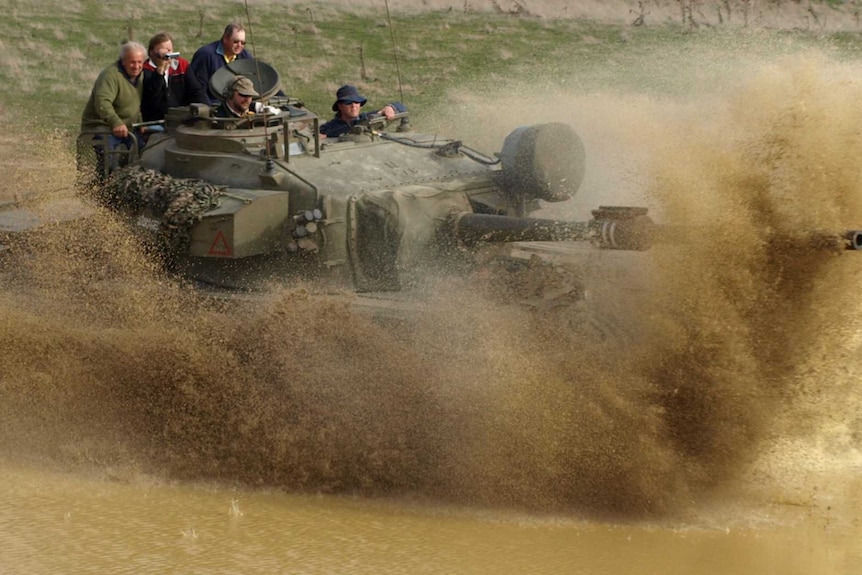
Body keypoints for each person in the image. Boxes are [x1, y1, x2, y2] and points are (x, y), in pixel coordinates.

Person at [80, 41, 147, 177]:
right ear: (123, 62)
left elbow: (134, 104)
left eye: (140, 62)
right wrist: (116, 123)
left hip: (127, 129)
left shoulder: (140, 77)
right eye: (132, 62)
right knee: (109, 164)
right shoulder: (111, 75)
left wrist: (141, 123)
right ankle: (101, 190)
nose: (136, 66)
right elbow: (102, 102)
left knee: (145, 156)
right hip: (102, 126)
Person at [141, 32, 208, 123]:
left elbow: (196, 90)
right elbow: (151, 94)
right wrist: (160, 70)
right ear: (152, 52)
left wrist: (207, 109)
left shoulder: (182, 66)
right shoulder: (144, 70)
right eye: (162, 50)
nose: (167, 55)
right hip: (155, 120)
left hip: (181, 118)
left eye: (169, 50)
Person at [189, 23, 251, 104]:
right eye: (236, 41)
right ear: (225, 39)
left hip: (235, 106)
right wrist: (209, 109)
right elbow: (198, 88)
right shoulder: (206, 55)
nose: (239, 45)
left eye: (243, 43)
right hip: (212, 105)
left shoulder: (245, 56)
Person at [319, 85, 406, 138]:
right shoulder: (328, 128)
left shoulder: (367, 118)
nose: (354, 106)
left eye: (357, 102)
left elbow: (401, 107)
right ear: (340, 106)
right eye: (348, 102)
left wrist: (390, 108)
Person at [214, 76, 279, 118]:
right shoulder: (219, 115)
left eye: (250, 96)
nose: (247, 100)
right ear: (230, 94)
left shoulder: (255, 107)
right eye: (243, 95)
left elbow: (276, 112)